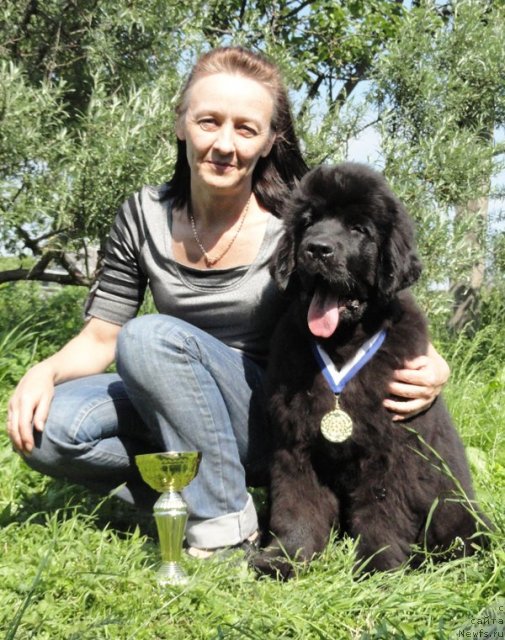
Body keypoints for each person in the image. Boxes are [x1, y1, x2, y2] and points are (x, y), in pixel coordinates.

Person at [6, 46, 450, 556]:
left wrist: (433, 361)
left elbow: (374, 292)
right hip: (168, 386)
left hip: (265, 414)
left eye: (245, 128)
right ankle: (194, 494)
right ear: (180, 123)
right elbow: (102, 335)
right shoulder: (142, 214)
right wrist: (44, 371)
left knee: (150, 337)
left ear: (268, 141)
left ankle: (224, 527)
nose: (223, 143)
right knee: (50, 433)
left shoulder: (295, 219)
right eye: (208, 121)